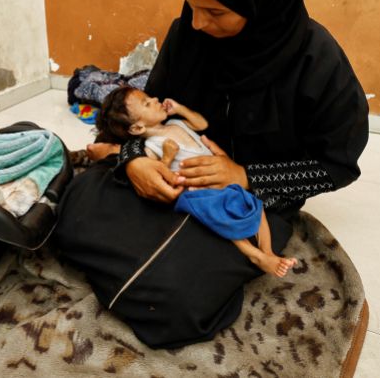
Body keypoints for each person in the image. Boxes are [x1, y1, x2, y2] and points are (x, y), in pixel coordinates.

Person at [54, 0, 369, 349]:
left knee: (172, 295)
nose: (197, 23)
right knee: (72, 211)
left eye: (216, 11)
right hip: (176, 174)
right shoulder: (189, 34)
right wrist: (133, 160)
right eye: (190, 4)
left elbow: (336, 166)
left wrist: (245, 174)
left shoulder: (319, 65)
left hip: (248, 199)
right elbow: (148, 117)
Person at [96, 85, 298, 277]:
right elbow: (159, 180)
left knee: (256, 205)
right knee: (222, 217)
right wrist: (167, 157)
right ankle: (254, 255)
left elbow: (202, 124)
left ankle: (268, 252)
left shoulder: (175, 123)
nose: (155, 99)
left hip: (221, 178)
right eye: (147, 103)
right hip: (199, 191)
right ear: (137, 128)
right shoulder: (152, 146)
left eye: (149, 97)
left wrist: (180, 109)